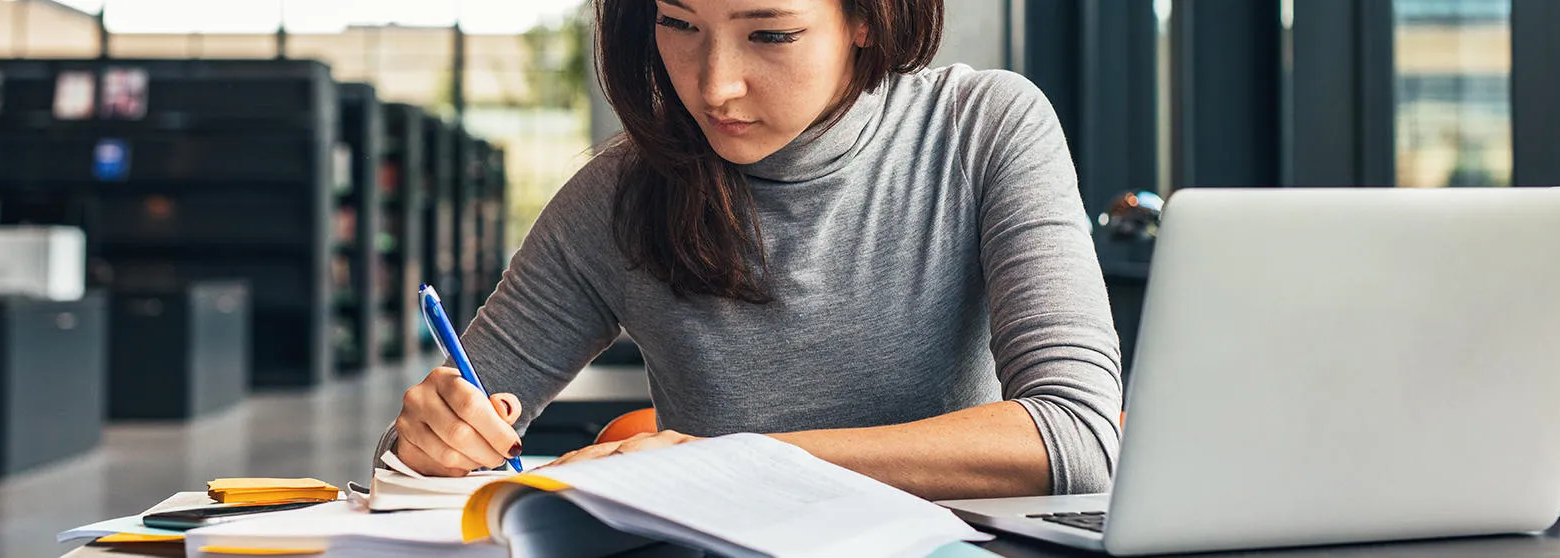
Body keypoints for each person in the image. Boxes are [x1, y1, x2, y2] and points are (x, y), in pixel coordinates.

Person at [380, 0, 1122, 500]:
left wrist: (722, 464)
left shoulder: (982, 128)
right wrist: (427, 444)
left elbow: (1076, 437)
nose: (714, 85)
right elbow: (410, 463)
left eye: (769, 34)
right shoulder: (615, 195)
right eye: (679, 23)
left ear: (865, 18)